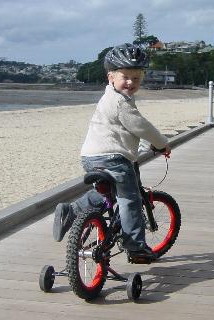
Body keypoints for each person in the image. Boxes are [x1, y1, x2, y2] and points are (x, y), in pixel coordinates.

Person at [53, 43, 171, 260]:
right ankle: (135, 246)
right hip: (114, 158)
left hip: (91, 156)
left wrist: (141, 144)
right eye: (125, 77)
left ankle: (72, 212)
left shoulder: (109, 97)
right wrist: (161, 143)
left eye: (136, 78)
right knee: (130, 199)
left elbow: (121, 131)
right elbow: (140, 125)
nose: (131, 83)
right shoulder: (120, 103)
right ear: (111, 77)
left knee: (104, 193)